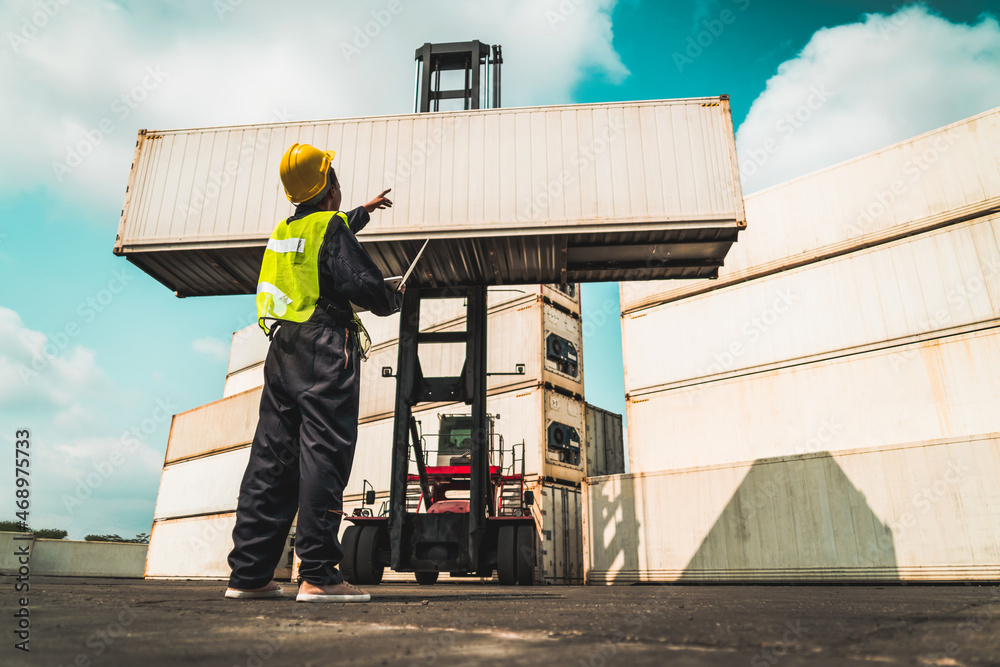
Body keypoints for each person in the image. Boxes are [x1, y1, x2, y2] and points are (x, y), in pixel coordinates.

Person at [225, 143, 402, 603]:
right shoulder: (332, 227)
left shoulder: (285, 231)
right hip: (326, 346)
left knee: (271, 460)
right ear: (330, 187)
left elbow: (326, 239)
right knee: (324, 456)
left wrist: (363, 210)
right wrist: (392, 296)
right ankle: (319, 576)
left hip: (283, 349)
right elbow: (361, 282)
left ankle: (248, 576)